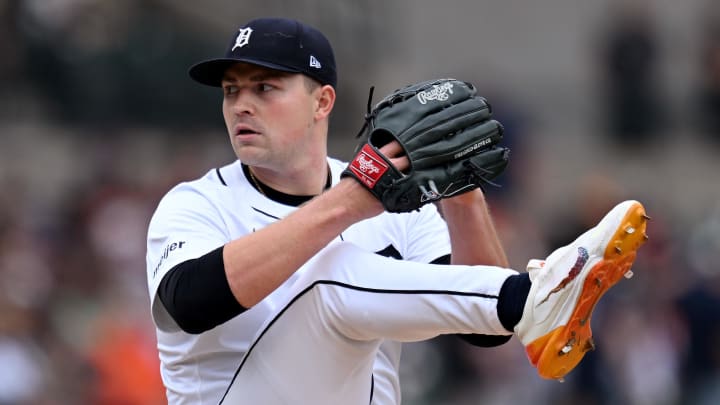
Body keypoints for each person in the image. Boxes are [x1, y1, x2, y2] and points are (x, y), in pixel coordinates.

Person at [145, 17, 649, 405]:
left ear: (323, 102)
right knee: (328, 272)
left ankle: (536, 301)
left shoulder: (391, 201)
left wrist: (462, 193)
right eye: (231, 90)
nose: (241, 105)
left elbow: (479, 327)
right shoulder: (196, 203)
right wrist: (349, 201)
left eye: (264, 87)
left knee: (348, 269)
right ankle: (536, 296)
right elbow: (188, 304)